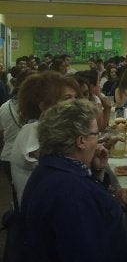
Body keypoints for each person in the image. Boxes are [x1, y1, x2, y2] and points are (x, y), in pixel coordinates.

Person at [19, 99, 127, 262]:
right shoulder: (73, 193)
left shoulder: (48, 169)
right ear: (81, 141)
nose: (98, 140)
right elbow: (88, 252)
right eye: (96, 134)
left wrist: (97, 172)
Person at [10, 72, 80, 205]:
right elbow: (61, 164)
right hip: (39, 215)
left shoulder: (47, 130)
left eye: (76, 97)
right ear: (44, 106)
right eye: (67, 98)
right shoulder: (33, 130)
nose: (75, 103)